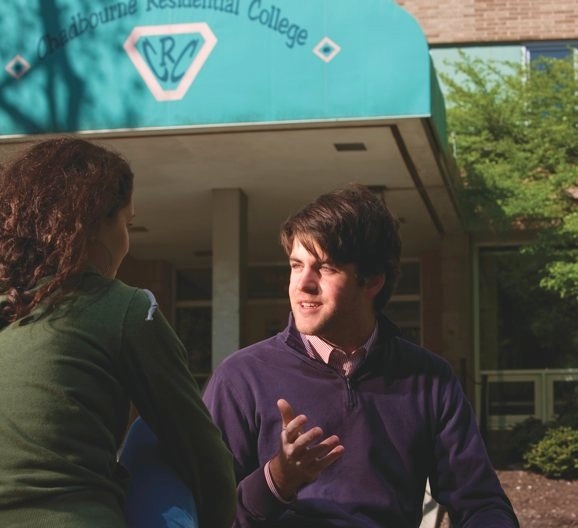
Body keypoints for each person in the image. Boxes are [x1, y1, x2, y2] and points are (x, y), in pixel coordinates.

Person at [203, 184, 519, 527]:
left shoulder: (430, 379)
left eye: (324, 268)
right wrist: (276, 481)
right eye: (297, 265)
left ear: (372, 281)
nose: (302, 284)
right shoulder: (240, 377)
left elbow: (480, 503)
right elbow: (204, 512)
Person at [0, 137, 236, 527]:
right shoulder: (123, 308)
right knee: (151, 434)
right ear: (92, 227)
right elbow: (202, 456)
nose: (128, 240)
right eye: (127, 223)